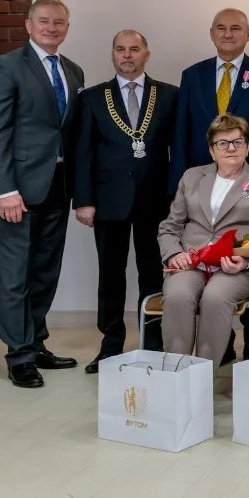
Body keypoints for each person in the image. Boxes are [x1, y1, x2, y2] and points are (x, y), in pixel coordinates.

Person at [0, 0, 84, 388]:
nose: (51, 28)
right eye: (43, 21)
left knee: (43, 273)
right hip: (16, 192)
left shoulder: (73, 71)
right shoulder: (6, 67)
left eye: (59, 22)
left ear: (67, 28)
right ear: (28, 25)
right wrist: (5, 190)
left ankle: (36, 343)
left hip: (57, 187)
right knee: (15, 276)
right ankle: (19, 356)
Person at [74, 29, 178, 371]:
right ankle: (110, 344)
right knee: (111, 275)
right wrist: (84, 200)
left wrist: (178, 198)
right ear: (113, 54)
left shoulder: (169, 95)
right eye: (120, 49)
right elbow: (83, 152)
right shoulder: (92, 98)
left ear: (147, 54)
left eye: (134, 49)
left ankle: (152, 342)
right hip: (108, 200)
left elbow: (177, 150)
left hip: (155, 199)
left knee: (153, 272)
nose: (127, 55)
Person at [157, 115, 249, 366]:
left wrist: (244, 262)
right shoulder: (191, 177)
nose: (231, 148)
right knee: (178, 295)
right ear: (212, 150)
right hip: (192, 263)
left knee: (214, 297)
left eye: (238, 142)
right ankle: (177, 371)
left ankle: (203, 375)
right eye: (222, 143)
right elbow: (170, 227)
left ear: (247, 148)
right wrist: (174, 254)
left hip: (238, 269)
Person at [171, 8, 249, 195]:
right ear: (212, 34)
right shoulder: (192, 76)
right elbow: (180, 134)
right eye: (221, 28)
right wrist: (176, 186)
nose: (227, 34)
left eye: (235, 28)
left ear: (248, 34)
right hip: (199, 180)